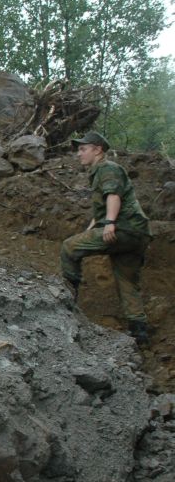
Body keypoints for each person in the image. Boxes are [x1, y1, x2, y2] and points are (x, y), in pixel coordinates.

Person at [61, 132, 152, 344]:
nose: (78, 154)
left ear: (98, 150)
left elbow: (113, 196)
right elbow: (99, 213)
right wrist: (91, 229)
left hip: (123, 228)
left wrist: (110, 222)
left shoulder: (107, 168)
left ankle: (67, 302)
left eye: (83, 149)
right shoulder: (102, 171)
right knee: (127, 281)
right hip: (138, 233)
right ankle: (139, 332)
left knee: (69, 247)